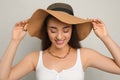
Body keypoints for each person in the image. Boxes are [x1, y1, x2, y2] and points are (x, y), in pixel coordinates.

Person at [0, 2, 120, 80]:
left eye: (66, 30)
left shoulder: (84, 56)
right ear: (46, 30)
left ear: (73, 30)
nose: (59, 36)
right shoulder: (35, 58)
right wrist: (14, 41)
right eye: (53, 30)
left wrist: (105, 37)